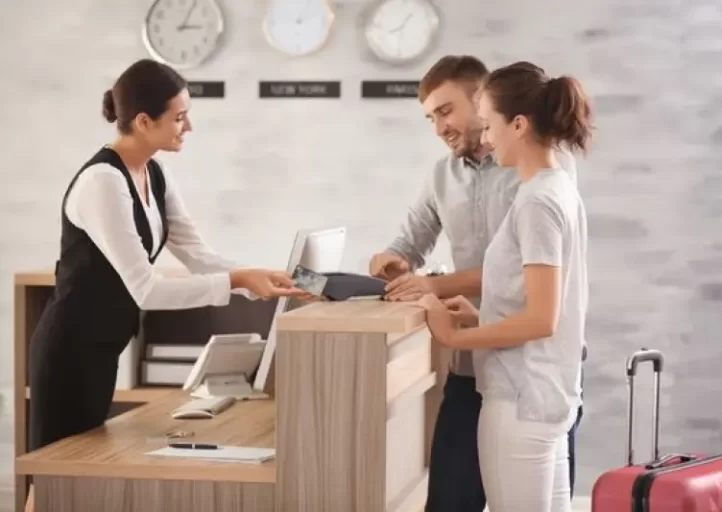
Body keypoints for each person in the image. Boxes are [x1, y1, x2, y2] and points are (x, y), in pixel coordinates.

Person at [24, 59, 305, 512]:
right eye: (179, 116)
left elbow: (199, 255)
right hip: (68, 354)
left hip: (102, 348)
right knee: (54, 483)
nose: (188, 126)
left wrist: (261, 279)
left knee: (78, 484)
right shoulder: (102, 182)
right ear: (142, 121)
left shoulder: (154, 172)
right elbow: (147, 289)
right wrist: (235, 280)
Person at [368, 56, 581, 512]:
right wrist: (396, 262)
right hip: (488, 366)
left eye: (446, 111)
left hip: (525, 374)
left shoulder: (537, 185)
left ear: (484, 103)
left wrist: (448, 321)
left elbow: (533, 292)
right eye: (430, 117)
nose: (438, 127)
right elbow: (414, 241)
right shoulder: (458, 177)